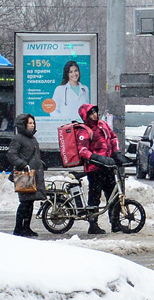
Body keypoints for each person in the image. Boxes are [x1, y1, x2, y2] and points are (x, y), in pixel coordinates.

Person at [78, 103, 122, 234]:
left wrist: (116, 152)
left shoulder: (103, 125)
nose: (95, 115)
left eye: (95, 112)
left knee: (113, 196)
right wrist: (98, 158)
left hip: (108, 167)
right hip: (94, 170)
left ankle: (115, 223)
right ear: (85, 116)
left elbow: (113, 137)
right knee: (94, 197)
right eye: (91, 113)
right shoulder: (84, 130)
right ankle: (93, 225)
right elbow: (82, 150)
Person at [6, 113, 45, 237]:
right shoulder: (18, 138)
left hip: (33, 174)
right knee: (24, 202)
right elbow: (11, 155)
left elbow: (33, 155)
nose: (32, 125)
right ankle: (18, 228)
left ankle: (26, 227)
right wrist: (23, 164)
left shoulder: (32, 138)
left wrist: (40, 163)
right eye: (29, 123)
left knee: (30, 202)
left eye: (33, 123)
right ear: (23, 124)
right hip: (24, 174)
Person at [50, 60, 90, 126]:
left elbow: (87, 109)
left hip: (82, 127)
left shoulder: (85, 89)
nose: (74, 74)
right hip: (66, 127)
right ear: (67, 74)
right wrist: (62, 121)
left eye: (76, 71)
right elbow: (53, 110)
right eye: (70, 72)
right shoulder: (60, 89)